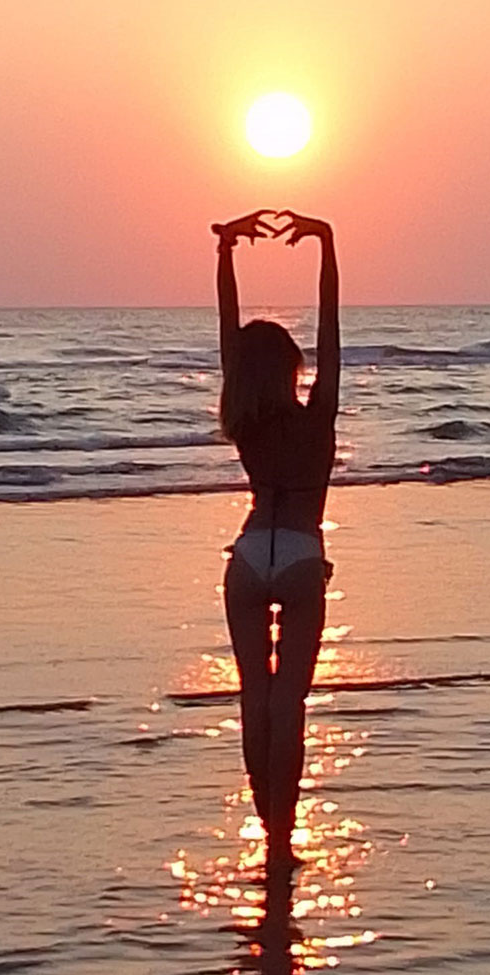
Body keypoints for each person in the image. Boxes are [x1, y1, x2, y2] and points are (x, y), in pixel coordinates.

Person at [213, 209, 340, 873]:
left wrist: (226, 251)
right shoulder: (317, 415)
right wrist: (325, 244)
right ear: (292, 367)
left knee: (253, 698)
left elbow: (228, 336)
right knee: (289, 700)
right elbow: (332, 330)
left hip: (248, 553)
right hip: (299, 553)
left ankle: (269, 830)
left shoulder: (245, 416)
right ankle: (282, 841)